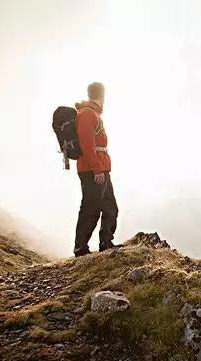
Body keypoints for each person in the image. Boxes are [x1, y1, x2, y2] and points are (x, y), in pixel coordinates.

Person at [73, 82, 119, 256]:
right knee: (90, 208)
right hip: (92, 170)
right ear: (103, 95)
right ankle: (80, 248)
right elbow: (87, 144)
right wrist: (97, 169)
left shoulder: (92, 113)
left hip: (101, 168)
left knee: (110, 207)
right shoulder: (87, 114)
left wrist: (102, 168)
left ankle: (106, 243)